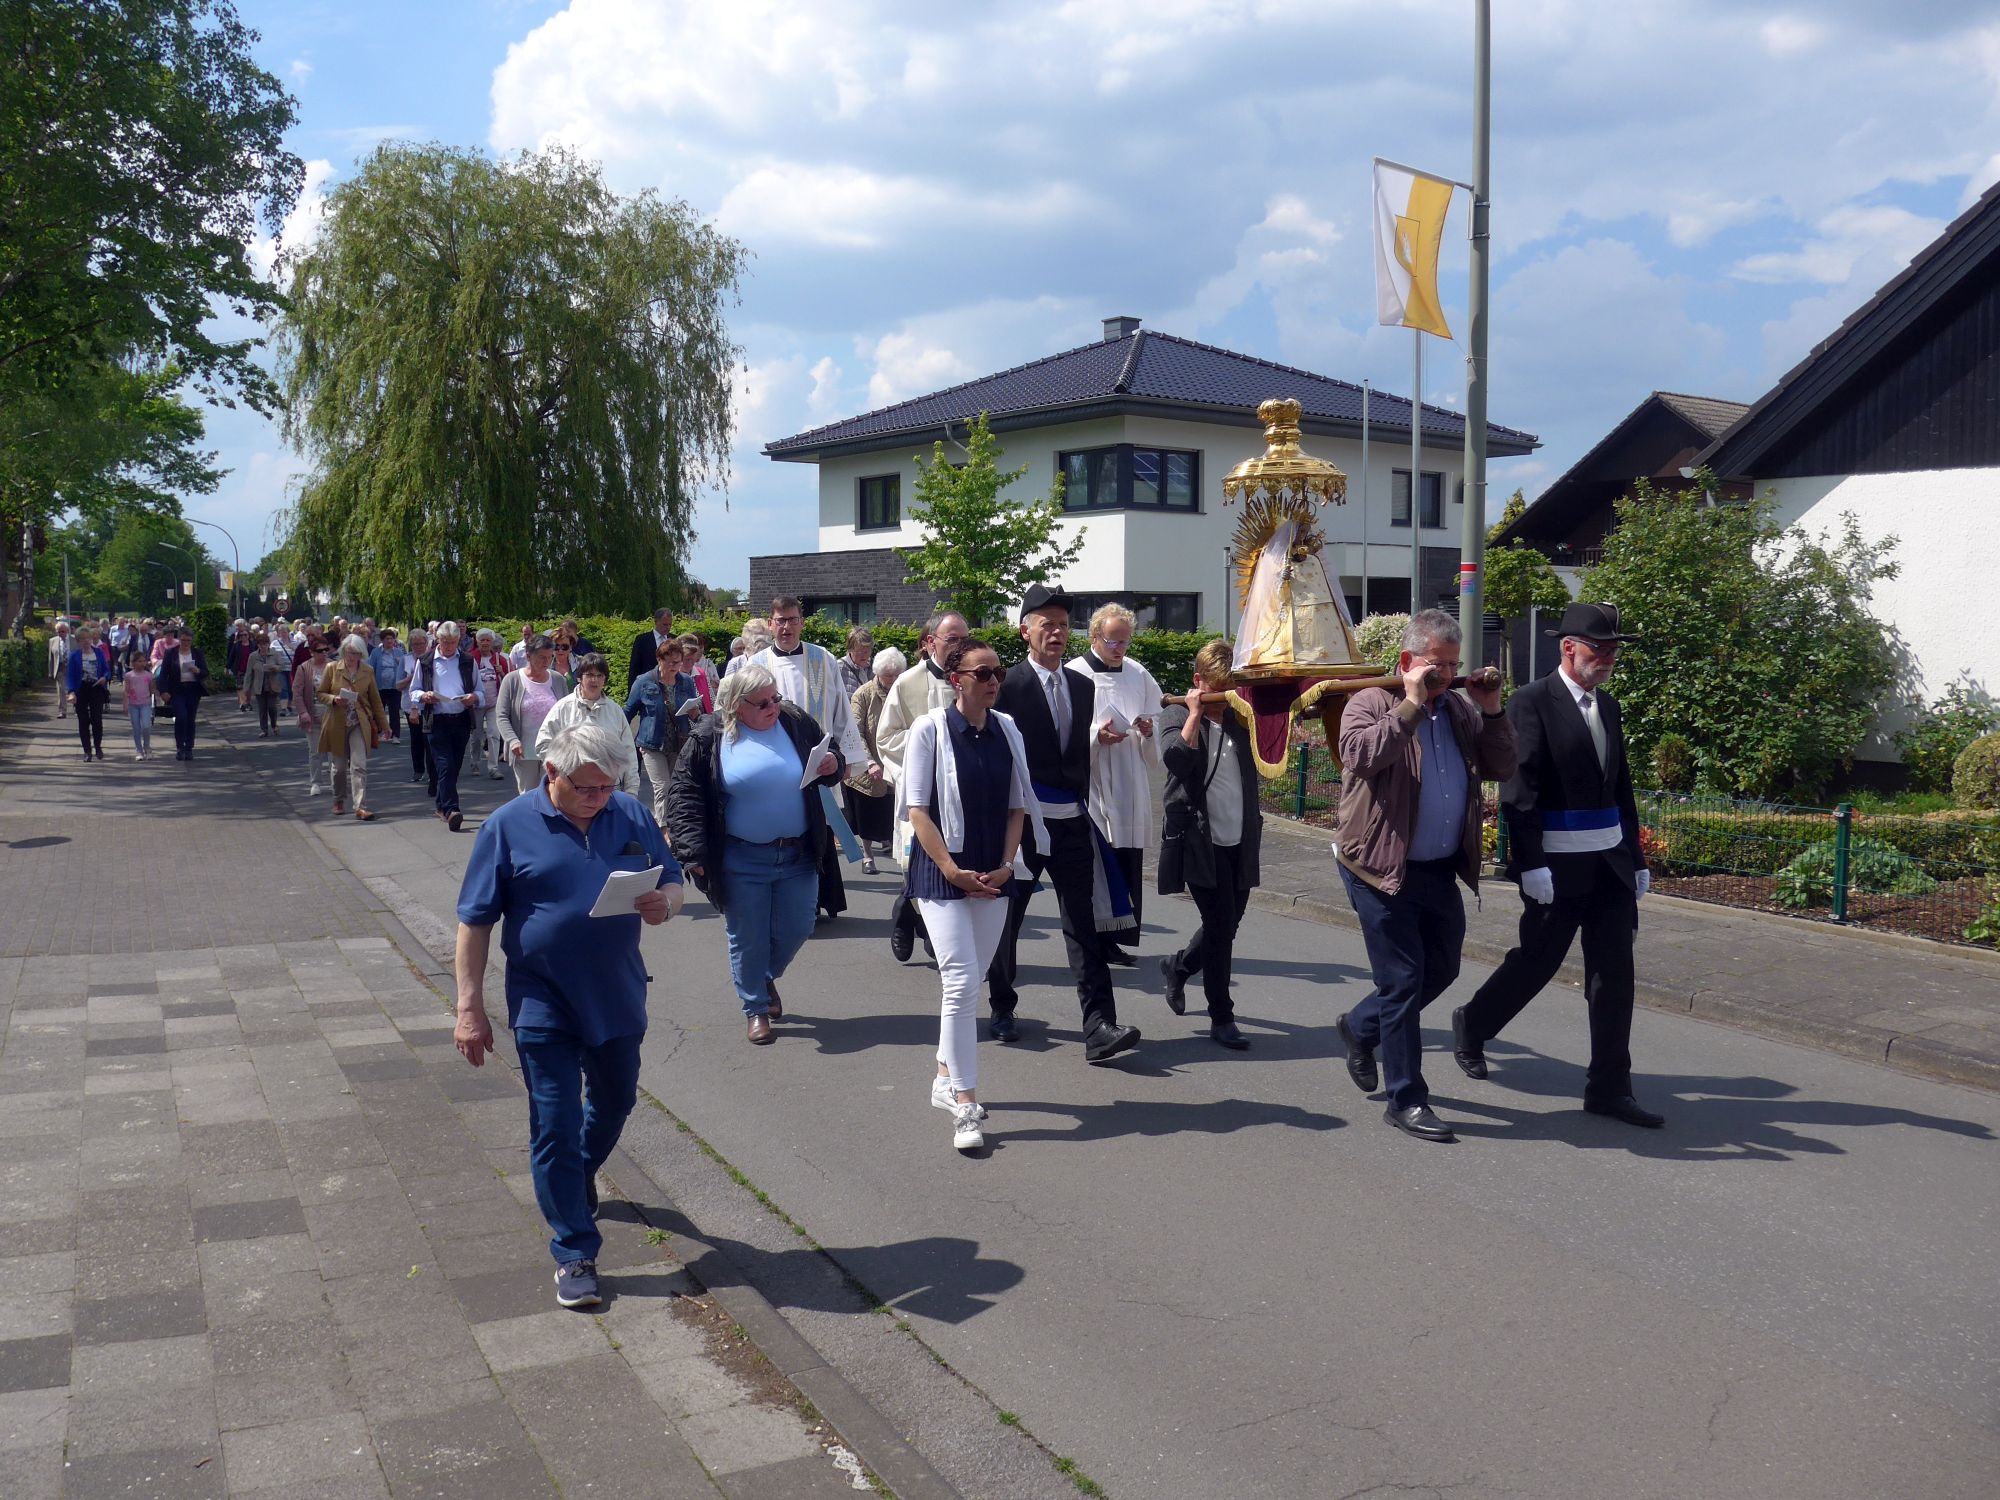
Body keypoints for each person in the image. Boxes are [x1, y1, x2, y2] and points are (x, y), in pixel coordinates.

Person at [453, 722, 683, 1310]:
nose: (599, 798)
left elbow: (672, 882)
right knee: (554, 1121)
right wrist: (469, 1007)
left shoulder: (629, 813)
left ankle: (577, 1174)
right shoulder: (507, 827)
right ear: (551, 772)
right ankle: (574, 1250)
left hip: (617, 994)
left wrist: (664, 904)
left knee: (615, 1102)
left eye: (608, 787)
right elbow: (475, 922)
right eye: (587, 788)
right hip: (542, 1000)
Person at [1452, 602, 1663, 1129]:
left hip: (1610, 865)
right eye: (1600, 648)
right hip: (1557, 865)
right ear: (1568, 647)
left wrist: (1636, 858)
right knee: (1537, 962)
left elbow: (1621, 787)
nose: (1608, 657)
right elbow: (1519, 788)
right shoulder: (1531, 701)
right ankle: (1473, 1023)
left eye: (1614, 650)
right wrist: (1531, 864)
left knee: (1614, 976)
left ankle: (1609, 1088)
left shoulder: (1607, 707)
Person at [1330, 611, 1517, 1141]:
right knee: (1403, 981)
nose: (1448, 677)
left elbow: (1502, 766)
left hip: (1438, 870)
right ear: (1408, 661)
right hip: (1379, 868)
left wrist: (1492, 710)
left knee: (1442, 969)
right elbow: (1360, 756)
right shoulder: (1369, 702)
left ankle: (1360, 1026)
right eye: (1438, 666)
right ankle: (1406, 1099)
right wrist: (1410, 704)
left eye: (1454, 666)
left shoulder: (1458, 710)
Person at [987, 584, 1139, 1062]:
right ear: (1025, 631)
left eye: (1062, 624)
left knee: (1083, 924)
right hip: (1023, 823)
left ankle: (1099, 1026)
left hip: (1072, 820)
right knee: (1007, 920)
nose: (1056, 632)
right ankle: (1002, 1005)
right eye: (1046, 624)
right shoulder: (1008, 686)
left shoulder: (1081, 685)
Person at [899, 640, 1036, 1152]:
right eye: (983, 673)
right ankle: (965, 1103)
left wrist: (1006, 865)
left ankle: (943, 1074)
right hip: (943, 873)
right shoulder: (930, 729)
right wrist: (952, 871)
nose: (994, 680)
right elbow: (917, 809)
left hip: (995, 873)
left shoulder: (1007, 730)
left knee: (971, 980)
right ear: (956, 679)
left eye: (997, 672)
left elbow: (1018, 807)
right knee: (959, 982)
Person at [666, 664, 842, 1045]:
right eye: (762, 703)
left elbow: (831, 757)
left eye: (775, 698)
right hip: (741, 858)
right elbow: (684, 794)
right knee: (747, 937)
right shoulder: (710, 736)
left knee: (799, 927)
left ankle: (762, 977)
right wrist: (692, 851)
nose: (773, 706)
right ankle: (755, 1008)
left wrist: (833, 764)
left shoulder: (794, 720)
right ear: (736, 705)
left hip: (798, 852)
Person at [1156, 640, 1266, 1049]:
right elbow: (1176, 760)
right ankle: (1222, 1015)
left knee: (1228, 923)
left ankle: (1180, 966)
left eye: (1230, 690)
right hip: (1200, 840)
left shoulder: (1242, 718)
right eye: (1217, 690)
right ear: (1199, 681)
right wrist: (1196, 713)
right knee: (1220, 928)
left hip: (1241, 838)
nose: (1224, 700)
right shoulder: (1175, 713)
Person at [750, 597, 871, 921]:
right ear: (771, 624)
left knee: (817, 829)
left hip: (819, 763)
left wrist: (847, 758)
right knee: (782, 832)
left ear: (802, 622)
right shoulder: (756, 664)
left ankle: (815, 902)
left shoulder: (823, 659)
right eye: (780, 620)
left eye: (792, 619)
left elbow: (841, 709)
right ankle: (784, 904)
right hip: (774, 764)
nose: (786, 627)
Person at [874, 611, 970, 961]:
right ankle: (906, 915)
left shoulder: (973, 677)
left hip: (965, 793)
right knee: (916, 864)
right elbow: (886, 738)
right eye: (952, 639)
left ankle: (933, 929)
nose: (960, 646)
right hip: (924, 792)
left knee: (956, 862)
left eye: (965, 639)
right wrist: (930, 742)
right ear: (931, 642)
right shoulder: (907, 682)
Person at [1068, 603, 1161, 964]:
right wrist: (1096, 736)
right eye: (1112, 642)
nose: (1120, 649)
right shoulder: (1074, 674)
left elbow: (1155, 716)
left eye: (1125, 641)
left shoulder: (1138, 673)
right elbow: (1064, 730)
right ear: (1094, 637)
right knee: (1097, 864)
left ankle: (1117, 939)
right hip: (1094, 782)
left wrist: (1148, 729)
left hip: (1129, 780)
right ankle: (1092, 940)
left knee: (1126, 862)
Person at [412, 622, 485, 830]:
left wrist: (473, 697)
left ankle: (440, 804)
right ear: (438, 640)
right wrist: (424, 696)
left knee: (455, 766)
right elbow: (414, 690)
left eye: (453, 642)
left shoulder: (467, 660)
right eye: (445, 642)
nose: (449, 646)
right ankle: (452, 810)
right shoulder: (425, 661)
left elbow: (480, 691)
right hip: (436, 720)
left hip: (461, 719)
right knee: (445, 765)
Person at [535, 653, 641, 794]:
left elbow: (629, 754)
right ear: (579, 677)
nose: (594, 680)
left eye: (599, 675)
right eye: (589, 675)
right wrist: (566, 771)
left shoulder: (615, 711)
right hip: (574, 790)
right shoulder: (563, 708)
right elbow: (543, 744)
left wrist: (631, 791)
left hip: (609, 789)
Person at [625, 638, 699, 830]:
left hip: (678, 742)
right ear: (659, 659)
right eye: (670, 662)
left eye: (678, 662)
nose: (675, 666)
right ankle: (663, 829)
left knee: (676, 787)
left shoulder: (686, 681)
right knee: (662, 787)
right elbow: (628, 712)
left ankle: (675, 826)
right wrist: (621, 738)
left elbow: (695, 713)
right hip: (652, 743)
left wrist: (694, 712)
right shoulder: (644, 681)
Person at [318, 634, 393, 820]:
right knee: (339, 767)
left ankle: (360, 806)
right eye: (349, 653)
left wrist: (385, 726)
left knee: (359, 765)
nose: (352, 657)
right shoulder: (332, 668)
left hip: (359, 723)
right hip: (337, 723)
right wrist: (334, 699)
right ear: (343, 651)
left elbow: (375, 701)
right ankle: (338, 799)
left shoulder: (367, 671)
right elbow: (320, 693)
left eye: (356, 653)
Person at [848, 647, 904, 874]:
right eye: (888, 675)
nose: (893, 679)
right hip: (868, 766)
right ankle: (867, 855)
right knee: (867, 815)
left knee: (895, 812)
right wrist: (869, 762)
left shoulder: (902, 690)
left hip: (895, 762)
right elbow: (856, 732)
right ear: (878, 673)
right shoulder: (863, 694)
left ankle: (898, 852)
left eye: (897, 674)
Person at [497, 634, 572, 795]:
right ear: (528, 656)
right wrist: (512, 740)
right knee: (528, 796)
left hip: (553, 751)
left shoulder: (558, 680)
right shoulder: (512, 680)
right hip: (524, 752)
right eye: (541, 657)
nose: (546, 662)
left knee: (552, 795)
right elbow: (502, 715)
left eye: (550, 657)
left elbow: (567, 713)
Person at [154, 627, 211, 761]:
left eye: (188, 640)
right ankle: (180, 747)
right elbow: (164, 674)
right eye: (183, 640)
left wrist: (198, 671)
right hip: (177, 690)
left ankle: (189, 748)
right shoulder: (171, 653)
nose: (186, 643)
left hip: (193, 690)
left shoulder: (197, 653)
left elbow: (205, 672)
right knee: (181, 717)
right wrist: (163, 691)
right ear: (179, 639)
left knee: (190, 719)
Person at [65, 624, 112, 760]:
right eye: (83, 639)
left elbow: (107, 670)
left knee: (97, 720)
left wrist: (104, 677)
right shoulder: (74, 656)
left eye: (88, 638)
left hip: (96, 688)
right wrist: (71, 692)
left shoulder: (99, 652)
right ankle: (87, 751)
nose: (86, 641)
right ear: (78, 641)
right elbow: (70, 675)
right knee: (83, 720)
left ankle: (98, 747)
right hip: (81, 689)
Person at [472, 629, 510, 779]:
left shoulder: (500, 659)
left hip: (494, 702)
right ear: (478, 642)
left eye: (488, 640)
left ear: (492, 642)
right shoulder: (471, 658)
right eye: (482, 640)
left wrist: (501, 672)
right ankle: (475, 763)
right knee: (476, 736)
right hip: (477, 703)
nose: (485, 643)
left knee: (493, 734)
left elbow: (508, 681)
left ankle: (493, 768)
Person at [295, 641, 332, 794]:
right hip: (313, 713)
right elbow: (297, 693)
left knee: (334, 751)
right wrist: (303, 712)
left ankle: (335, 781)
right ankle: (316, 782)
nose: (324, 653)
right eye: (320, 650)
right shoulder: (304, 668)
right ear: (312, 652)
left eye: (326, 649)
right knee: (315, 751)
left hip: (332, 714)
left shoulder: (334, 666)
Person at [242, 631, 290, 737]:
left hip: (272, 685)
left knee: (272, 707)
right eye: (260, 644)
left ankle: (274, 725)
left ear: (268, 644)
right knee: (262, 709)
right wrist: (246, 688)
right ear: (258, 645)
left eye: (265, 644)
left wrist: (275, 667)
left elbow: (282, 666)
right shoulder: (253, 656)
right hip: (259, 686)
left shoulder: (275, 653)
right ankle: (264, 729)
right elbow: (249, 673)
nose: (263, 646)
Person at [400, 628, 430, 789]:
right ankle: (418, 770)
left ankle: (432, 771)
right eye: (415, 644)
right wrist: (411, 678)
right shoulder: (405, 660)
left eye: (421, 643)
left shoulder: (432, 658)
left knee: (429, 739)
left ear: (426, 643)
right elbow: (397, 685)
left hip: (429, 705)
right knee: (416, 739)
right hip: (409, 705)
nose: (418, 647)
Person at [368, 627, 408, 742]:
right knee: (378, 711)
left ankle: (395, 735)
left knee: (394, 711)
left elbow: (404, 668)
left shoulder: (399, 652)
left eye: (391, 638)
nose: (390, 641)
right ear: (382, 640)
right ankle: (378, 733)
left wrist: (400, 662)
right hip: (380, 686)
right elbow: (371, 668)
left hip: (394, 686)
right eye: (387, 639)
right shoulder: (376, 652)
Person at [628, 606, 678, 692]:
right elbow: (634, 667)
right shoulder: (642, 640)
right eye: (665, 624)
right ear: (656, 622)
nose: (668, 627)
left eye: (670, 624)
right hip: (647, 687)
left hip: (670, 687)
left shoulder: (675, 640)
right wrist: (632, 691)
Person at [122, 649, 156, 760]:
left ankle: (147, 747)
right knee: (136, 728)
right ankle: (139, 750)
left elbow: (152, 690)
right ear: (133, 663)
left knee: (146, 726)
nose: (142, 663)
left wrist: (156, 697)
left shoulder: (149, 675)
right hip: (133, 705)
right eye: (139, 661)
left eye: (143, 661)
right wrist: (125, 704)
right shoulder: (129, 676)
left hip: (145, 704)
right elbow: (126, 691)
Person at [836, 626, 875, 697]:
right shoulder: (838, 668)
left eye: (867, 650)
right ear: (850, 649)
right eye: (860, 651)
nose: (865, 655)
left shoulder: (876, 667)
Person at [48, 620, 71, 718]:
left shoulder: (74, 640)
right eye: (58, 632)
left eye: (63, 631)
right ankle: (62, 711)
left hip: (72, 667)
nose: (61, 634)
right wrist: (50, 672)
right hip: (60, 668)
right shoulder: (52, 641)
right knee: (61, 690)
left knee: (75, 689)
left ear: (67, 631)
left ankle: (77, 707)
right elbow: (51, 658)